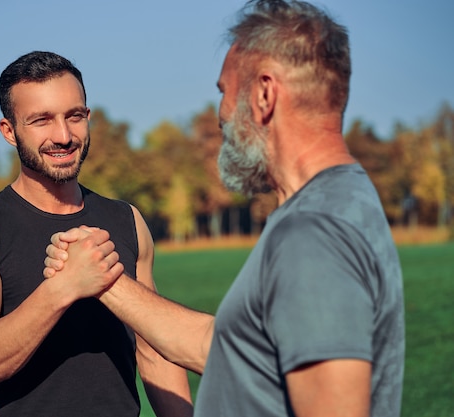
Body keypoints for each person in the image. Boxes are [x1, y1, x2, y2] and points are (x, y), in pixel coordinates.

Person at [43, 1, 405, 416]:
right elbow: (226, 347)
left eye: (225, 92)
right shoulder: (341, 199)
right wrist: (105, 279)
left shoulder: (311, 234)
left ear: (265, 94)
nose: (221, 115)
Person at [0, 51, 193, 417]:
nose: (63, 136)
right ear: (9, 131)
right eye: (41, 120)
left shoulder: (127, 220)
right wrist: (64, 287)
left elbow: (155, 351)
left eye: (74, 116)